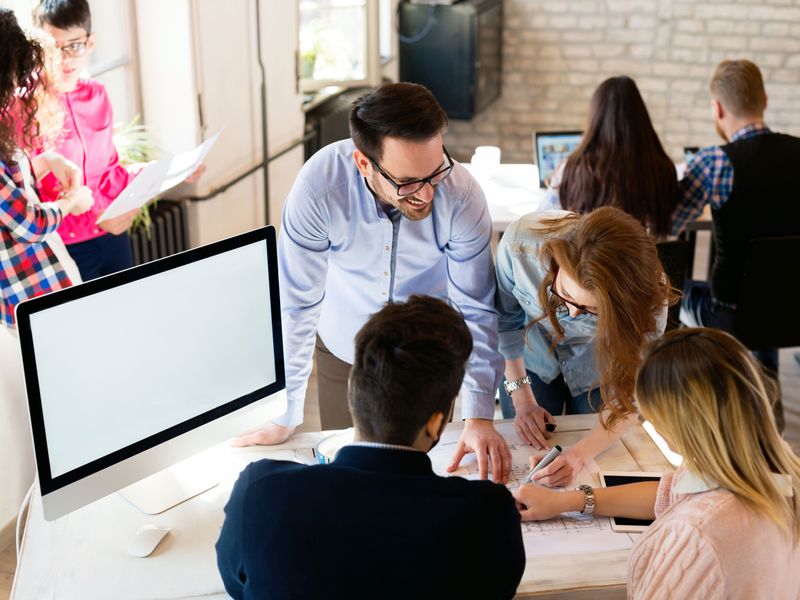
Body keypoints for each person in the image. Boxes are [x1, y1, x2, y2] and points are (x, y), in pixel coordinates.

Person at [234, 82, 511, 483]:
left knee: (428, 478)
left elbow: (476, 308)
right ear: (364, 164)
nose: (427, 192)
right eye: (409, 181)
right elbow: (296, 303)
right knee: (348, 477)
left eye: (435, 172)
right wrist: (288, 410)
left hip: (432, 355)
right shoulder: (319, 189)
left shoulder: (461, 194)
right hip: (343, 348)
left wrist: (480, 413)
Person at [216, 296, 526, 600]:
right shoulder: (488, 515)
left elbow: (237, 585)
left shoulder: (259, 493)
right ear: (436, 422)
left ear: (353, 389)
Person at [514, 328, 800, 599]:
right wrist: (567, 502)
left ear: (674, 426)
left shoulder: (693, 536)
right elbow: (671, 492)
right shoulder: (773, 467)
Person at [495, 206, 674, 485]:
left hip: (599, 365)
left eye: (593, 310)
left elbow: (630, 392)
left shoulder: (647, 297)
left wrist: (580, 454)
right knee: (526, 446)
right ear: (554, 262)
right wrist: (522, 400)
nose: (572, 313)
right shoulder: (520, 247)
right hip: (530, 358)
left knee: (594, 467)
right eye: (564, 293)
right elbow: (505, 324)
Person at [31, 0, 202, 281]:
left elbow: (111, 172)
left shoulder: (97, 95)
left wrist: (172, 170)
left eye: (75, 45)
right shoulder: (25, 107)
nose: (66, 59)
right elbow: (24, 187)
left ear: (90, 42)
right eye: (53, 48)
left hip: (113, 238)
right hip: (62, 247)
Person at [672, 59, 800, 408]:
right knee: (763, 304)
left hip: (728, 311)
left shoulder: (714, 162)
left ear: (717, 107)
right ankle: (764, 409)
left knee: (678, 292)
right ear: (765, 100)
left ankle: (706, 403)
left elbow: (668, 225)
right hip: (789, 305)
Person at [0, 8, 93, 328]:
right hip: (28, 297)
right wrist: (72, 202)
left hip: (40, 287)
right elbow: (29, 223)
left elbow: (7, 194)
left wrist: (45, 162)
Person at [550, 76, 677, 238]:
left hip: (586, 261)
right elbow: (671, 225)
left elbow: (545, 221)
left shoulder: (573, 168)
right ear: (641, 117)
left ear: (595, 118)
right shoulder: (662, 169)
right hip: (643, 262)